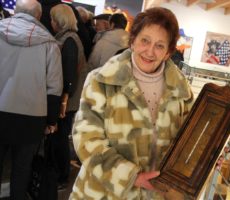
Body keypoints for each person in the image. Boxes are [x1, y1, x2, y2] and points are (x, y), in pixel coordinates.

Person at [70, 7, 194, 199]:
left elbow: (190, 139)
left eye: (160, 45)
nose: (150, 51)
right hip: (104, 193)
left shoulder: (181, 91)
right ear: (133, 40)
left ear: (168, 52)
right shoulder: (102, 80)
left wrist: (204, 156)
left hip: (155, 194)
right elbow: (86, 139)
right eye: (145, 40)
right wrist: (131, 176)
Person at [0, 0, 63, 199]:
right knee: (22, 167)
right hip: (31, 116)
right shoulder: (49, 42)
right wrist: (51, 120)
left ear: (16, 11)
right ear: (38, 16)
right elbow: (54, 86)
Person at [50, 3, 88, 189]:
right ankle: (59, 174)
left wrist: (63, 100)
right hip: (66, 99)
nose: (50, 22)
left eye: (52, 18)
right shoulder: (69, 38)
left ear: (59, 21)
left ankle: (62, 177)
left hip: (66, 101)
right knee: (58, 138)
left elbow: (69, 75)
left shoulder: (70, 40)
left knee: (59, 139)